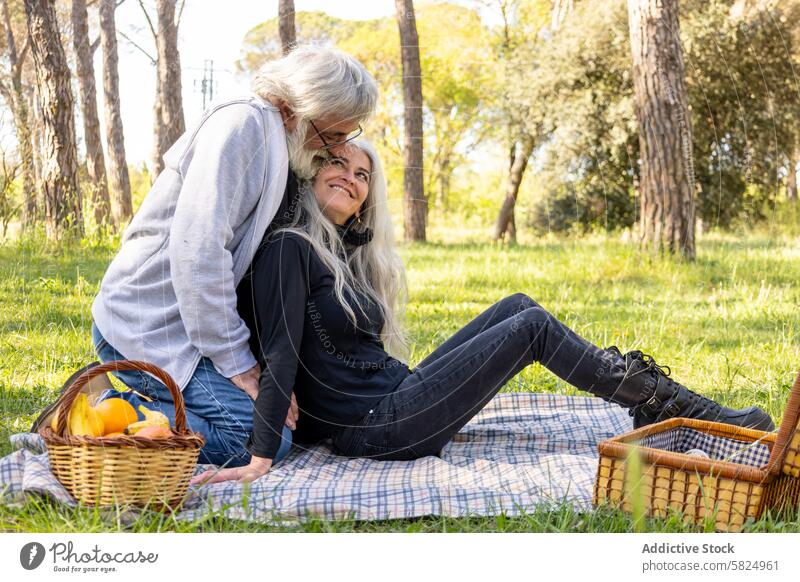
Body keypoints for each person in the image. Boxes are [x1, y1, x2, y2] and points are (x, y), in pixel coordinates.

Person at [192, 140, 774, 484]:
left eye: (363, 174)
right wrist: (262, 456)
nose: (351, 178)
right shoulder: (289, 247)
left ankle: (662, 402)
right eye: (339, 165)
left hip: (397, 398)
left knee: (518, 305)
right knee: (531, 327)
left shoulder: (331, 251)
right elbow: (281, 354)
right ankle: (673, 405)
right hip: (376, 429)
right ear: (312, 170)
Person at [87, 46, 379, 468]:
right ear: (294, 106)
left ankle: (136, 407)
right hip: (146, 325)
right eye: (332, 135)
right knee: (260, 439)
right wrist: (239, 365)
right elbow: (198, 251)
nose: (335, 147)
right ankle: (107, 410)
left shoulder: (280, 143)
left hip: (192, 326)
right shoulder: (244, 127)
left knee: (277, 427)